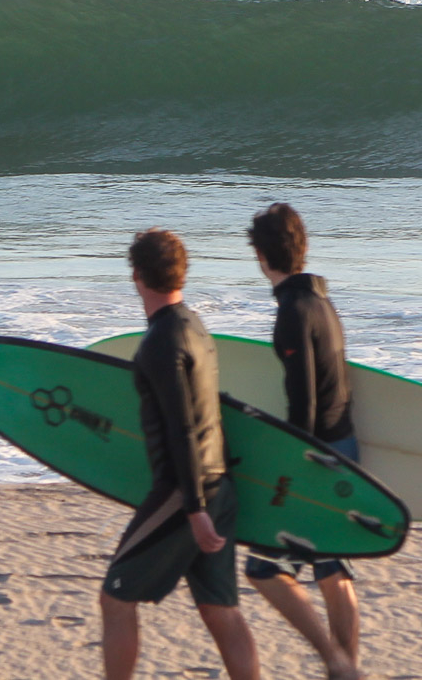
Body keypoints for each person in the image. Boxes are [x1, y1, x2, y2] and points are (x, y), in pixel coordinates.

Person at [99, 228, 260, 680]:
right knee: (220, 609)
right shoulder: (195, 327)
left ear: (136, 276)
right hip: (219, 484)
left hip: (185, 492)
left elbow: (181, 428)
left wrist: (193, 509)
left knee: (115, 598)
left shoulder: (159, 342)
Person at [244, 203, 361, 680]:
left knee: (264, 570)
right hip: (346, 447)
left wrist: (291, 465)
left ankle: (336, 662)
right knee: (332, 568)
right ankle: (348, 667)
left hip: (316, 456)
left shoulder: (293, 311)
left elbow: (304, 401)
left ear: (260, 255)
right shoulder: (322, 302)